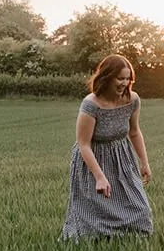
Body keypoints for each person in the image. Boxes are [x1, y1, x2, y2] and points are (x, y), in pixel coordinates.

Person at [61, 54, 153, 239]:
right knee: (93, 211)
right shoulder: (90, 104)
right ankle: (95, 241)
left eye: (128, 79)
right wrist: (100, 176)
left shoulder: (132, 100)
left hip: (122, 157)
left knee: (139, 207)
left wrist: (144, 162)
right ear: (107, 77)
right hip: (93, 159)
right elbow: (83, 144)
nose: (124, 83)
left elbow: (134, 132)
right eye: (120, 78)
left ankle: (129, 239)